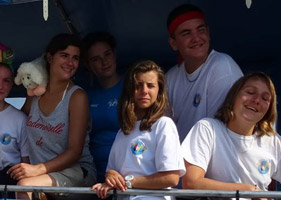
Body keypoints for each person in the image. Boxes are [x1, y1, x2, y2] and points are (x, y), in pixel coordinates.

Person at [10, 34, 96, 199]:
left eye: (75, 58)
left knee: (24, 186)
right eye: (64, 55)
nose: (70, 63)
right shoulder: (35, 92)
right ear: (50, 57)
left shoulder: (77, 96)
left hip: (76, 172)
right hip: (39, 176)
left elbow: (75, 152)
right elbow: (16, 125)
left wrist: (37, 169)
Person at [91, 60, 185, 200]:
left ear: (159, 90)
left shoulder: (164, 125)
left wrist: (128, 183)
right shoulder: (123, 131)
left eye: (151, 85)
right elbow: (113, 170)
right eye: (138, 85)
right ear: (130, 89)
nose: (144, 91)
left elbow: (170, 178)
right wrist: (110, 177)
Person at [163, 4, 243, 140]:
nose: (196, 38)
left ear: (208, 33)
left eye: (200, 30)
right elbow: (161, 129)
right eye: (186, 33)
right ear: (173, 43)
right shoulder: (170, 77)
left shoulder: (222, 67)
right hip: (180, 158)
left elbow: (220, 134)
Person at [82, 32, 123, 183]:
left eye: (107, 54)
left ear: (115, 54)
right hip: (93, 174)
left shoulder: (133, 89)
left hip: (125, 173)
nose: (104, 62)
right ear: (88, 65)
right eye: (95, 59)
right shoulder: (85, 97)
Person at [0, 62, 29, 196]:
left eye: (6, 81)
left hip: (9, 186)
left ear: (12, 85)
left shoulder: (20, 119)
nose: (0, 86)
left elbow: (26, 164)